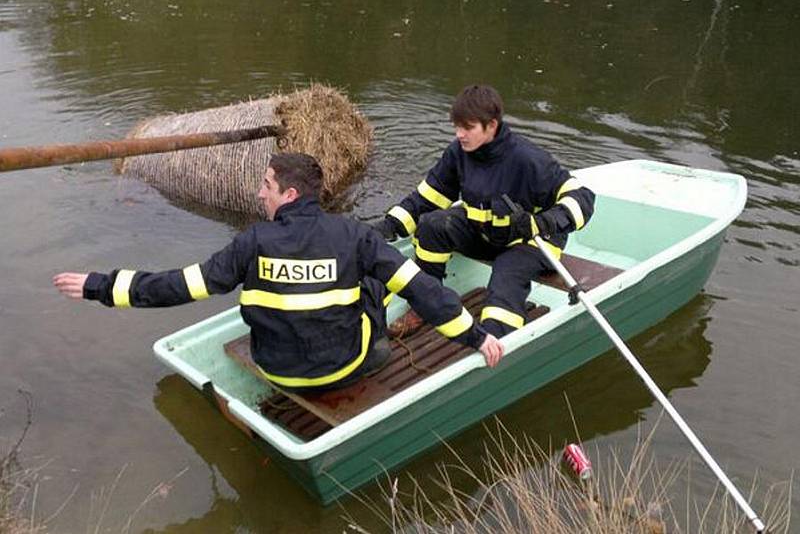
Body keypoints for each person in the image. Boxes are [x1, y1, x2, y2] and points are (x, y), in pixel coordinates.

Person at [54, 152, 503, 394]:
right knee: (374, 281)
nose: (259, 194)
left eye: (266, 186)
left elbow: (182, 285)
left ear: (289, 193)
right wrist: (477, 337)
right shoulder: (355, 236)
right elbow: (425, 291)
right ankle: (370, 347)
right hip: (344, 369)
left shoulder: (252, 243)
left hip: (276, 369)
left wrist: (103, 285)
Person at [375, 85, 595, 339]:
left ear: (491, 125)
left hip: (532, 242)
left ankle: (497, 338)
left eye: (467, 128)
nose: (459, 135)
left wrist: (542, 222)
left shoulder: (528, 159)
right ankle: (427, 304)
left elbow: (583, 198)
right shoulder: (459, 153)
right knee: (432, 226)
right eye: (456, 127)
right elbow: (429, 196)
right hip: (486, 235)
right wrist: (390, 225)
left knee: (508, 269)